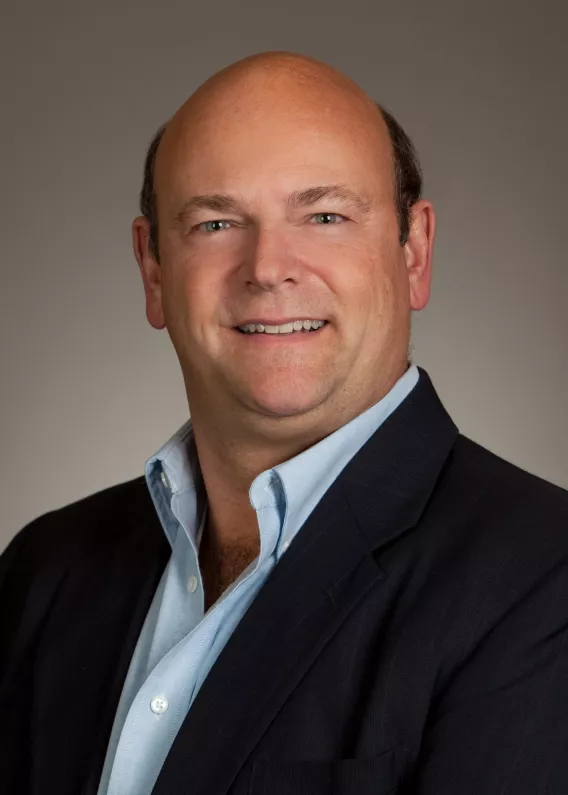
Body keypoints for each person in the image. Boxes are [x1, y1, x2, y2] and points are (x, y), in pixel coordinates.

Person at [1, 50, 567, 795]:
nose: (268, 267)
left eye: (325, 216)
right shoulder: (44, 571)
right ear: (154, 270)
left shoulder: (543, 579)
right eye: (215, 222)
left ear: (414, 252)